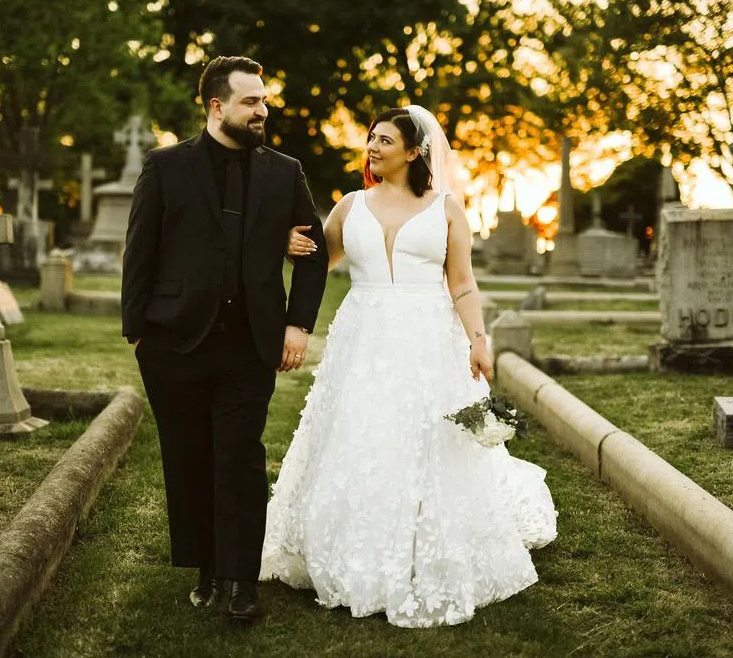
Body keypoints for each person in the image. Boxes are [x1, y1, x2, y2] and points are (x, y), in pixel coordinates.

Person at [262, 106, 557, 628]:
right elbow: (316, 260)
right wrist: (286, 245)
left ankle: (428, 539)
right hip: (364, 335)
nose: (372, 147)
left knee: (427, 438)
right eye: (371, 138)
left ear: (414, 151)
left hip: (427, 335)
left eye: (384, 140)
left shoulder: (446, 207)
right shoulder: (348, 206)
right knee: (361, 434)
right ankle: (353, 541)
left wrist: (478, 342)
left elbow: (462, 282)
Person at [122, 56, 329, 624]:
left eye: (263, 100)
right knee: (188, 459)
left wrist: (298, 325)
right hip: (174, 344)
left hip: (249, 345)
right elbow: (140, 251)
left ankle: (242, 581)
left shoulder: (285, 172)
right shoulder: (165, 167)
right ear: (217, 107)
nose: (263, 110)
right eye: (251, 102)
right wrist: (138, 331)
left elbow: (315, 259)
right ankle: (205, 567)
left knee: (239, 459)